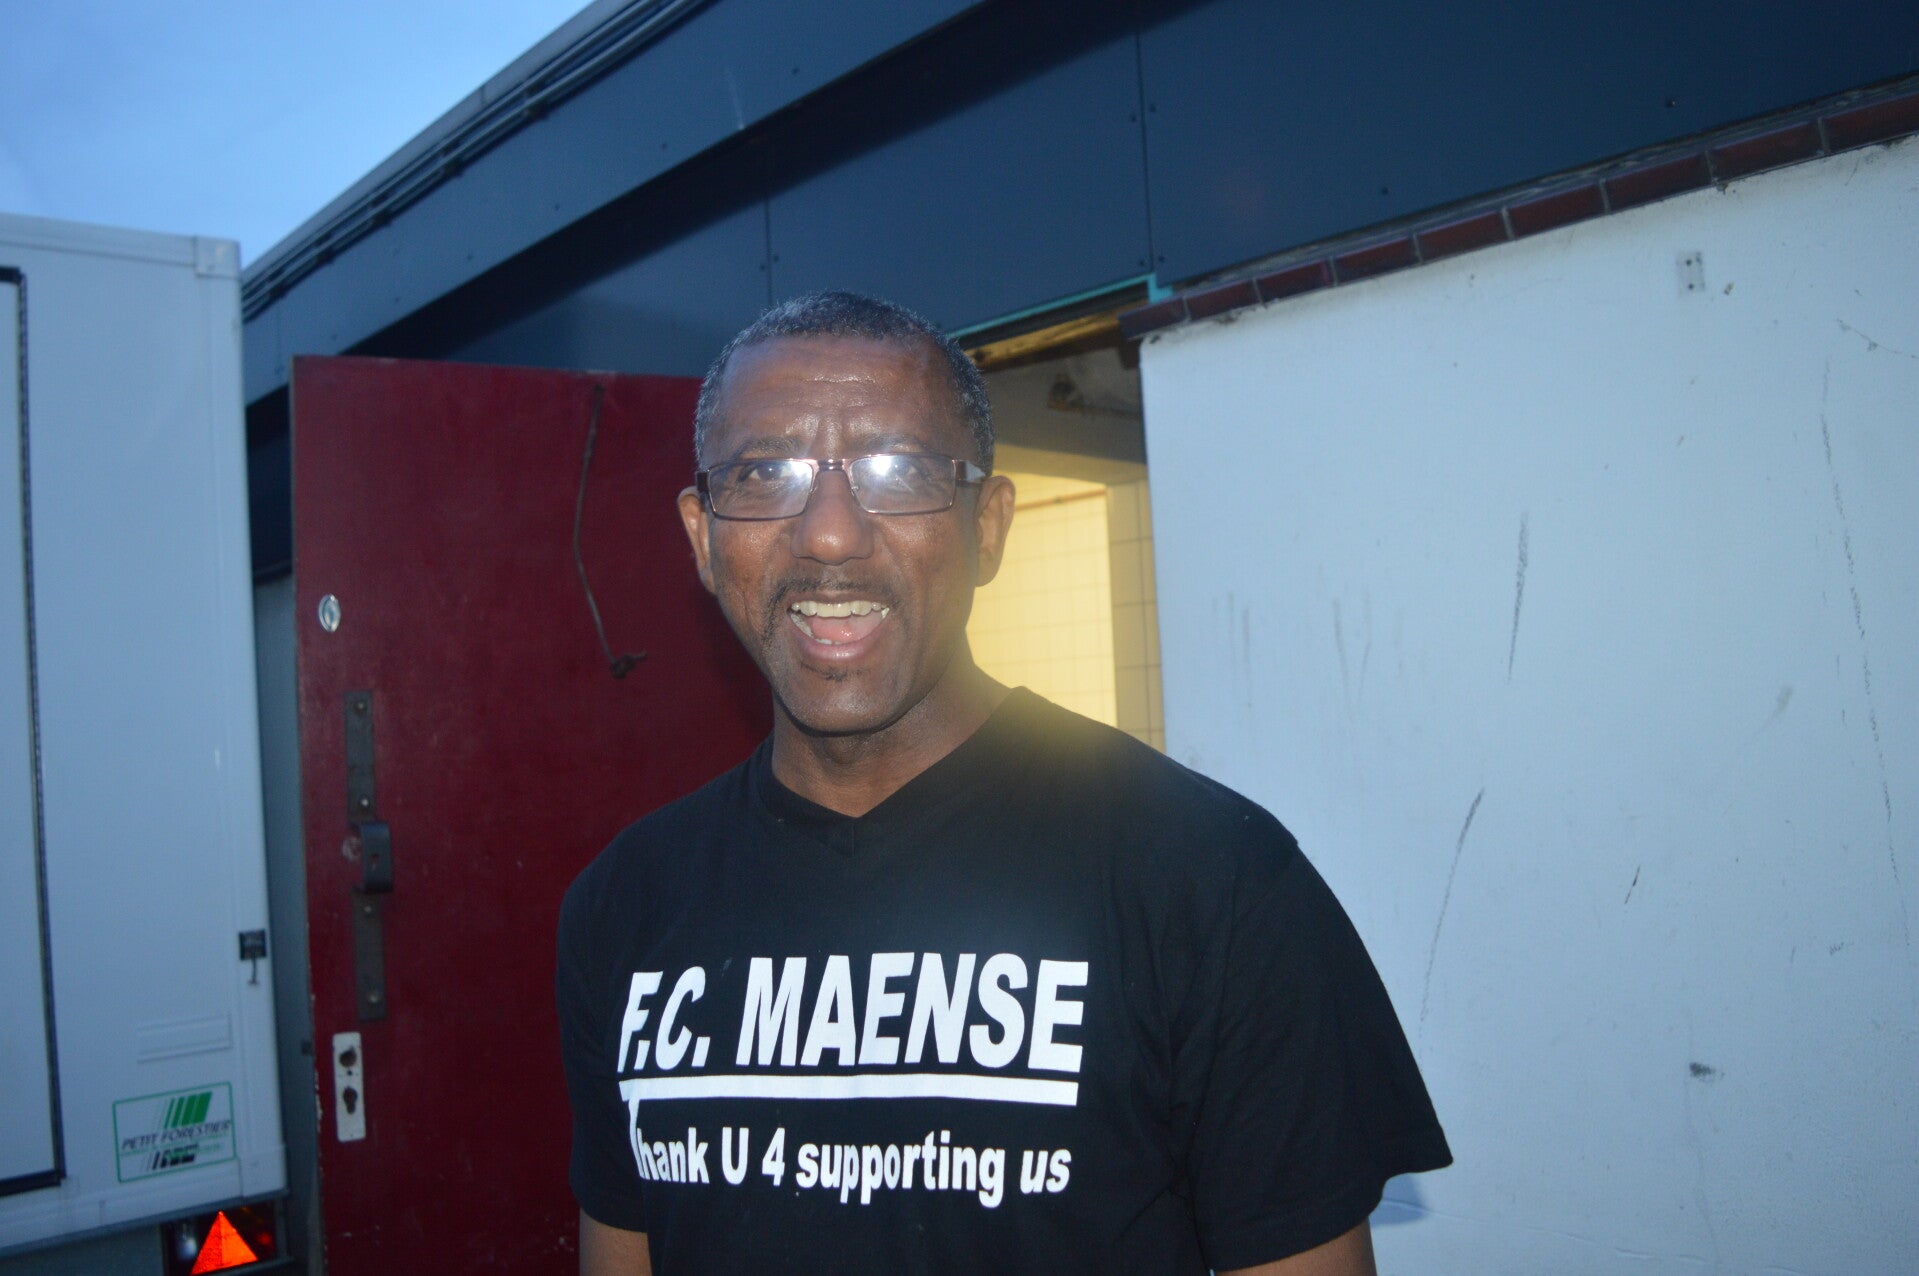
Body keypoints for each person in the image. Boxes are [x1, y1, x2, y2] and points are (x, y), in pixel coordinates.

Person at [558, 292, 1450, 1275]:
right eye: (765, 474)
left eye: (897, 471)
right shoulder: (626, 905)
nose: (828, 535)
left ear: (987, 527)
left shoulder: (1212, 882)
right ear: (701, 536)